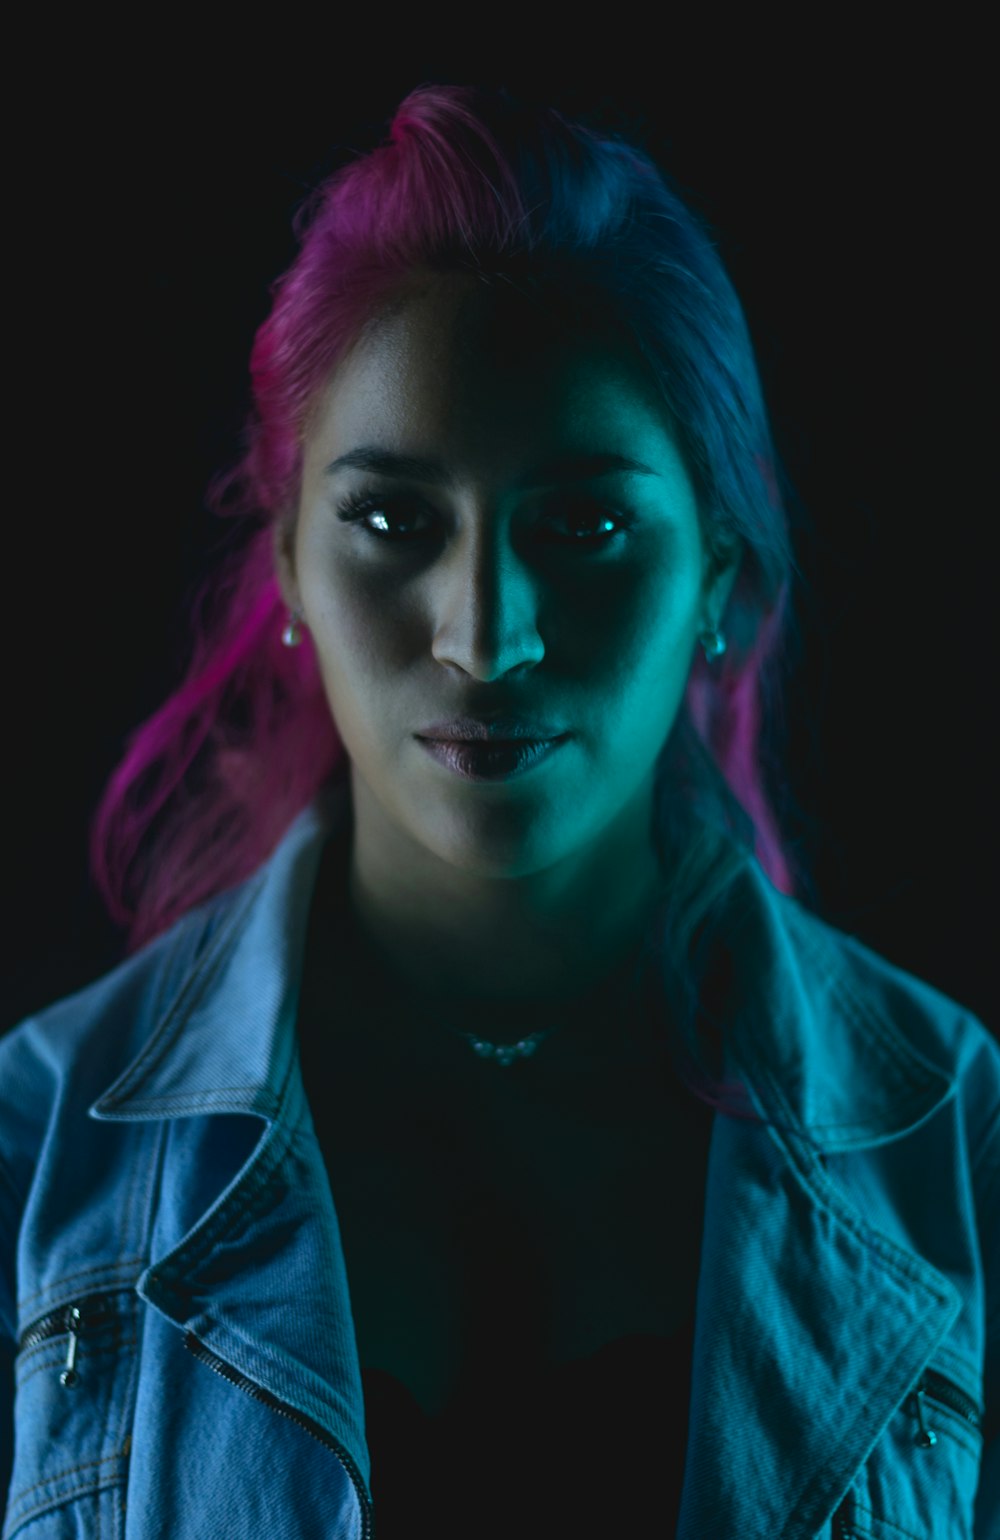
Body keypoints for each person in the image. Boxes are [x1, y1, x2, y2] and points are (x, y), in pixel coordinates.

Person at [1, 84, 996, 1540]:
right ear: (288, 566)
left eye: (584, 525)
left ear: (718, 573)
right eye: (395, 521)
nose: (486, 635)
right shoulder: (36, 1157)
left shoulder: (958, 1149)